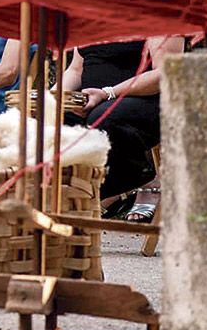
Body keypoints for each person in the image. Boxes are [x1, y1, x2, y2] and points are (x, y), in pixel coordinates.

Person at [61, 37, 182, 221]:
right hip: (93, 101)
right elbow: (75, 70)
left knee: (102, 121)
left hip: (145, 100)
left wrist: (107, 93)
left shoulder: (159, 10)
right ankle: (58, 199)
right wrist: (52, 98)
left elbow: (164, 73)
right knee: (50, 119)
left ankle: (132, 175)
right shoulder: (90, 14)